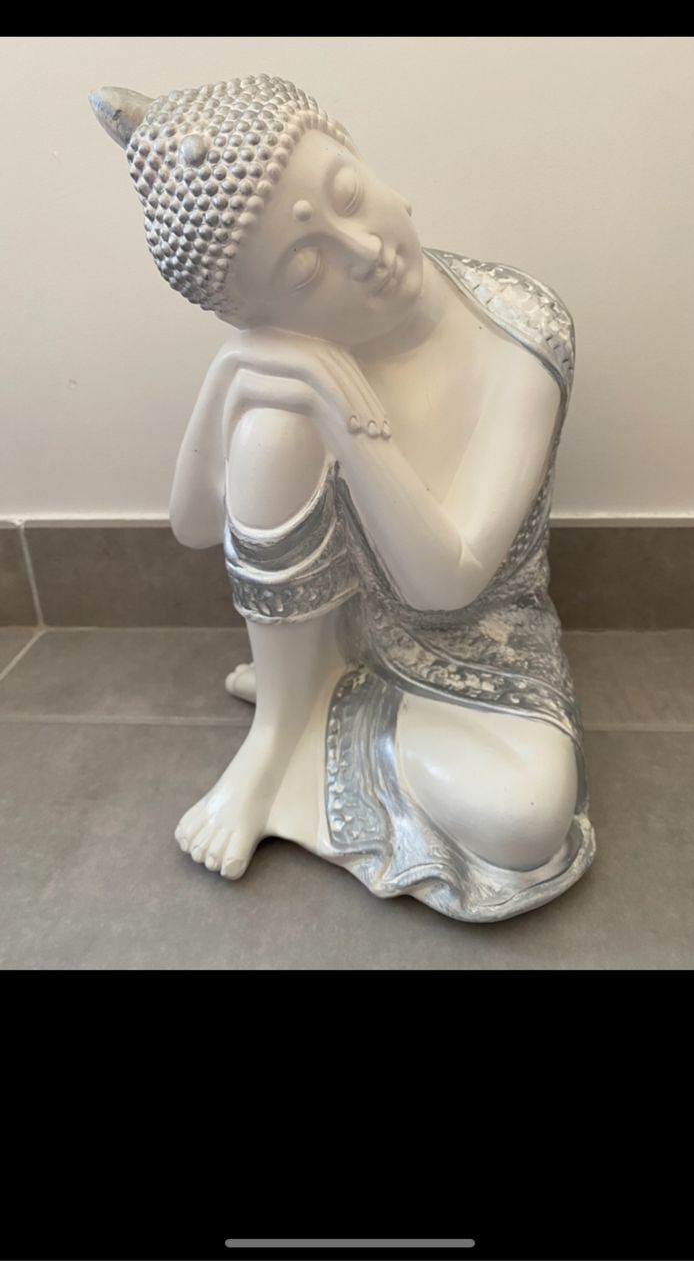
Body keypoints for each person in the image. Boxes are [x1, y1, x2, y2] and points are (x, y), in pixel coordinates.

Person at [90, 74, 595, 922]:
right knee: (271, 428)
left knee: (527, 818)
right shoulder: (291, 352)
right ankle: (280, 728)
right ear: (256, 313)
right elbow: (192, 525)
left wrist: (349, 413)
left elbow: (447, 586)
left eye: (348, 194)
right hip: (343, 617)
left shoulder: (521, 329)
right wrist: (231, 372)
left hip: (484, 654)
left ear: (359, 155)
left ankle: (313, 708)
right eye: (304, 266)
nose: (365, 253)